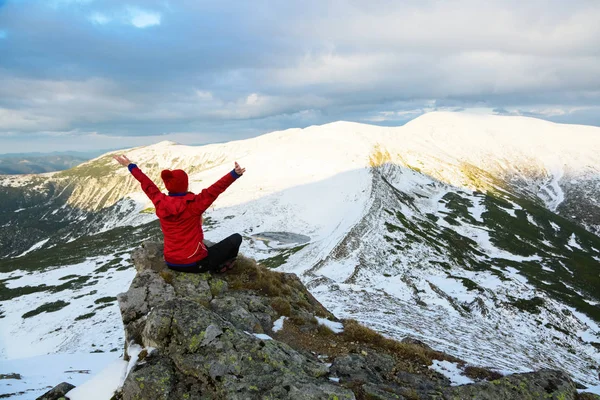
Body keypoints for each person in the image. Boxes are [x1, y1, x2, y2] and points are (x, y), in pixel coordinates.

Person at [113, 154, 245, 273]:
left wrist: (130, 166)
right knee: (236, 238)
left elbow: (147, 183)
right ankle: (221, 268)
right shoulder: (195, 204)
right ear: (185, 185)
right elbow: (215, 189)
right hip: (195, 264)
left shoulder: (159, 201)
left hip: (171, 262)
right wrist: (234, 174)